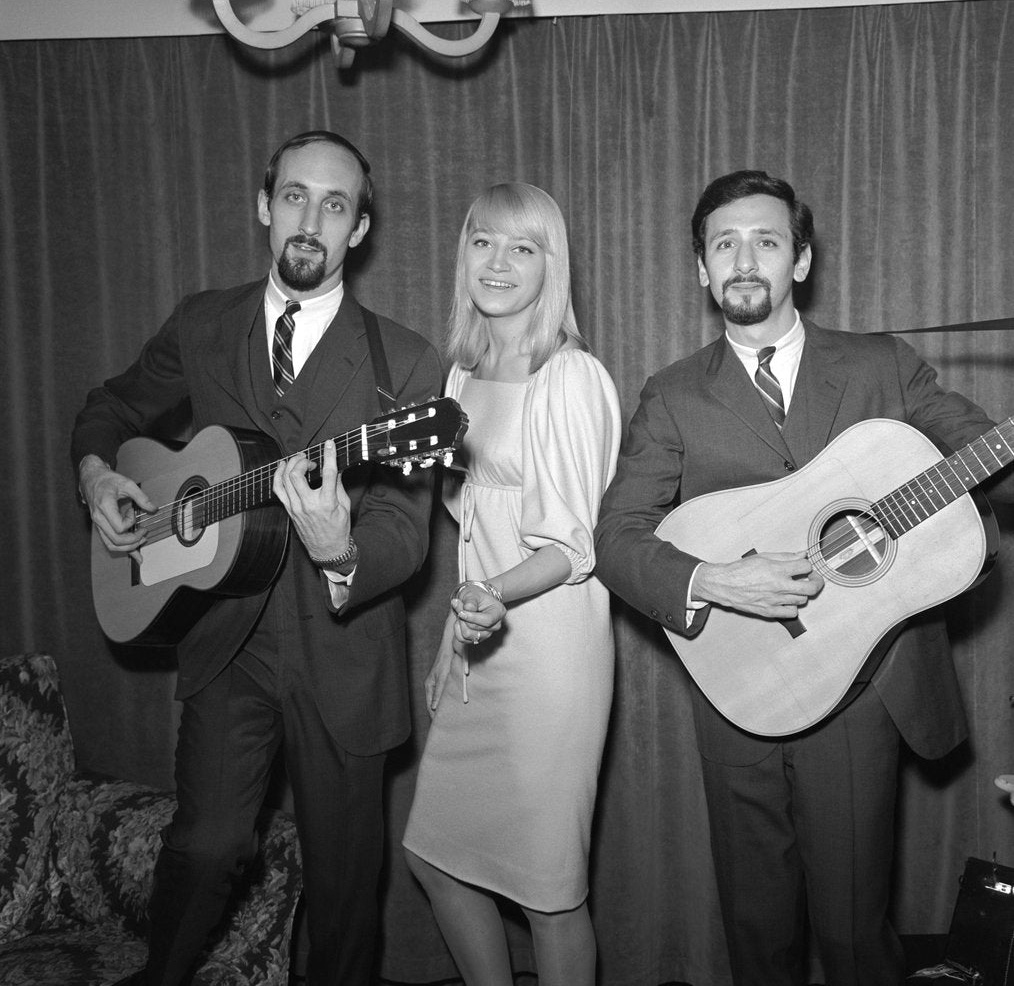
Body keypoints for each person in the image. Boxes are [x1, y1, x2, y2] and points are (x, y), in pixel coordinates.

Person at [593, 169, 1014, 986]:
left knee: (857, 935)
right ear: (701, 270)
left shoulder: (882, 364)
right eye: (725, 244)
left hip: (863, 686)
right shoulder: (674, 395)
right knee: (758, 934)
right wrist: (712, 579)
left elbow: (971, 447)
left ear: (802, 260)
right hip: (737, 682)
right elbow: (615, 538)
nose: (745, 259)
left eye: (767, 240)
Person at [72, 130, 442, 986]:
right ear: (264, 207)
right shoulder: (203, 322)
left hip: (342, 657)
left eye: (337, 204)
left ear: (361, 229)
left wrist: (341, 547)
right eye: (297, 197)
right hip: (225, 642)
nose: (312, 219)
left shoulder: (405, 362)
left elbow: (406, 525)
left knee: (347, 893)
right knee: (204, 848)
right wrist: (97, 474)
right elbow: (113, 404)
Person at [402, 183, 621, 986]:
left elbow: (573, 546)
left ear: (550, 265)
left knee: (548, 889)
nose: (498, 262)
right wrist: (447, 645)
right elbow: (467, 530)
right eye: (484, 242)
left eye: (523, 247)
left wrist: (492, 595)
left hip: (549, 645)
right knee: (436, 857)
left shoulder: (571, 376)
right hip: (479, 635)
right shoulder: (459, 376)